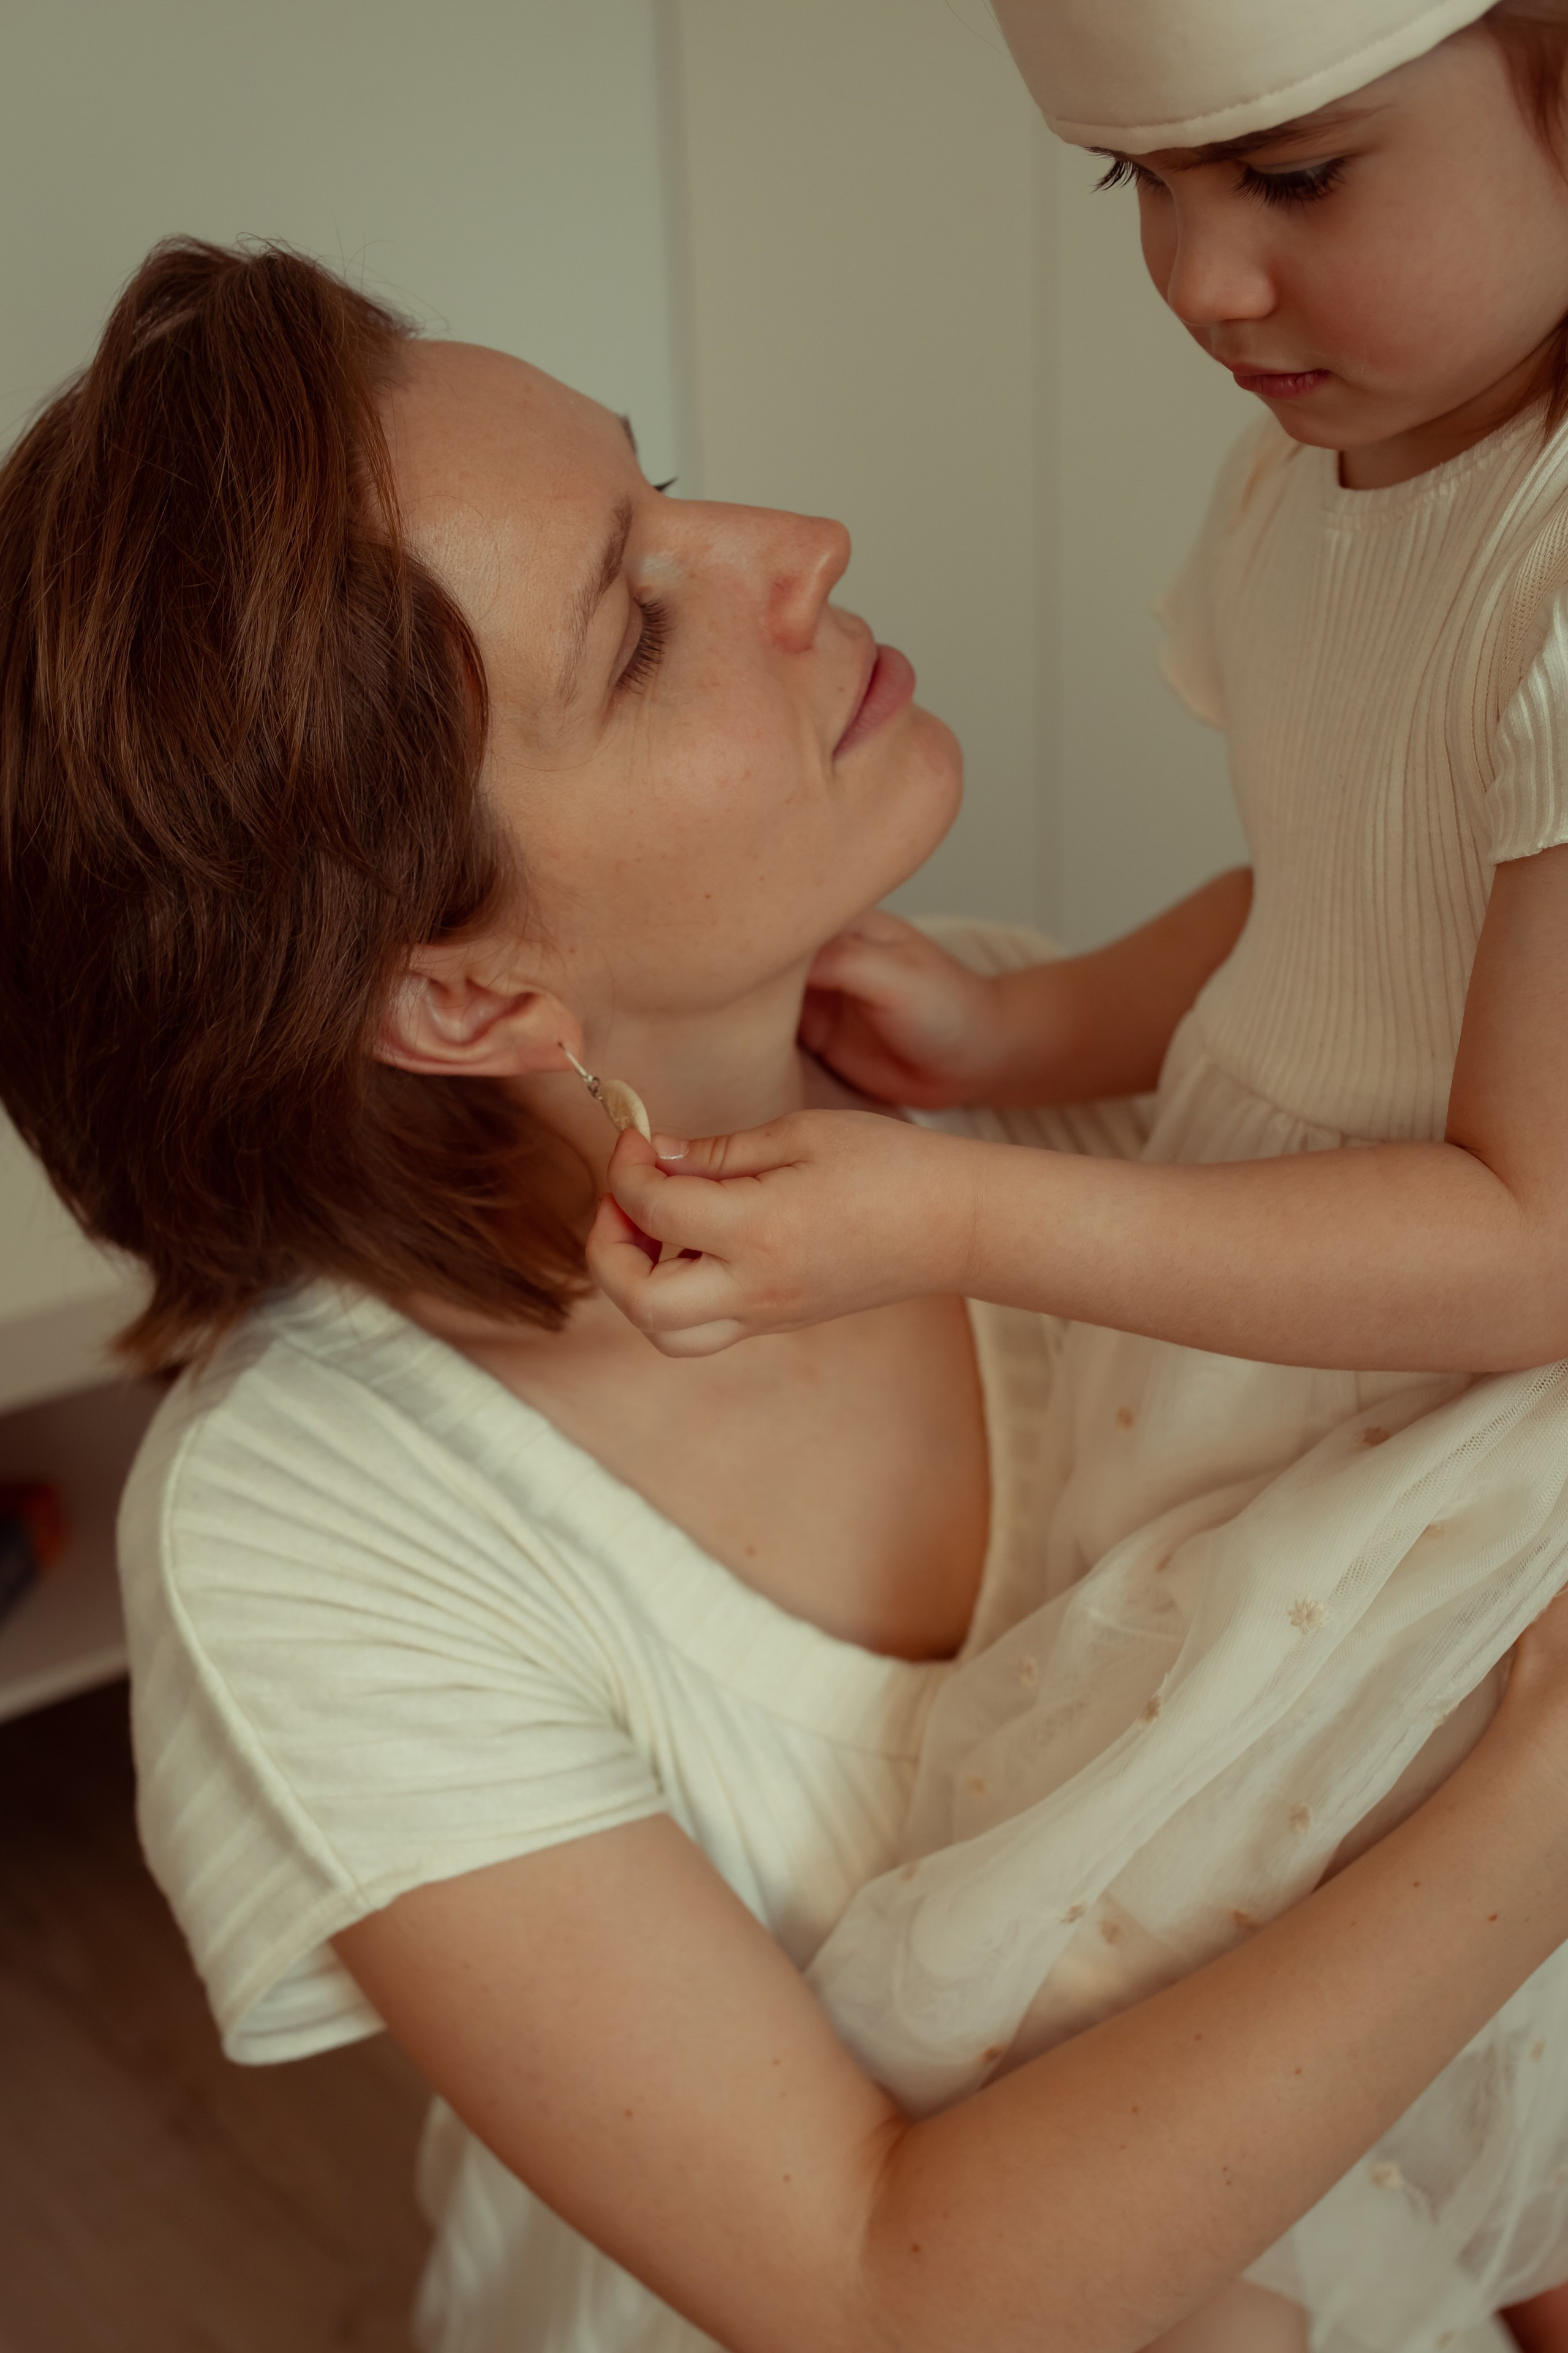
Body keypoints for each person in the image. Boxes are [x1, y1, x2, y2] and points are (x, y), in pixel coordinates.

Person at [1, 238, 1564, 2353]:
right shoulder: (315, 1534)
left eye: (663, 490)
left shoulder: (1033, 1058)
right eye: (637, 627)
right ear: (464, 991)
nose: (801, 549)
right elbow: (873, 2285)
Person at [583, 3, 1568, 2343]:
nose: (1203, 283)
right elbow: (1354, 903)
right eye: (1139, 187)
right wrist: (1031, 1032)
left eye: (1298, 180)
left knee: (1429, 2001)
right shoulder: (1326, 471)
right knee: (1355, 2043)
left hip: (1485, 1382)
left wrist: (953, 1201)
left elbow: (1536, 1241)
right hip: (1306, 1339)